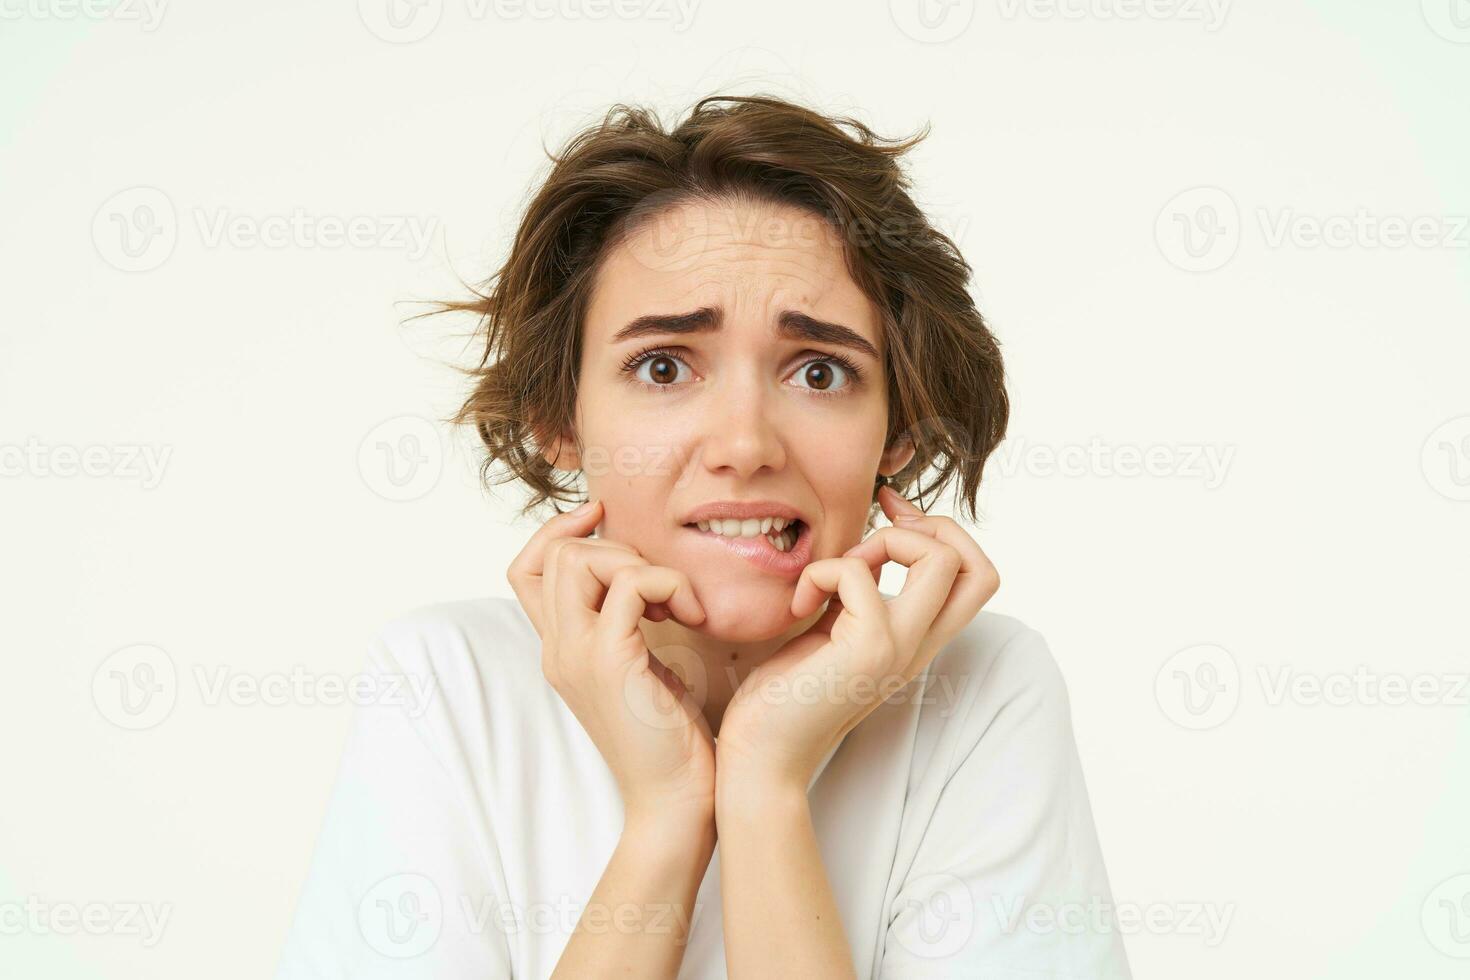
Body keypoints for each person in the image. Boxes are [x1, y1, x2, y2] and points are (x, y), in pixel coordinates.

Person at [276, 94, 1132, 979]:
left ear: (899, 429)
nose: (745, 447)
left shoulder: (982, 686)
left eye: (819, 370)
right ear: (555, 421)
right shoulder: (448, 682)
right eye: (663, 367)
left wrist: (764, 788)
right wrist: (667, 815)